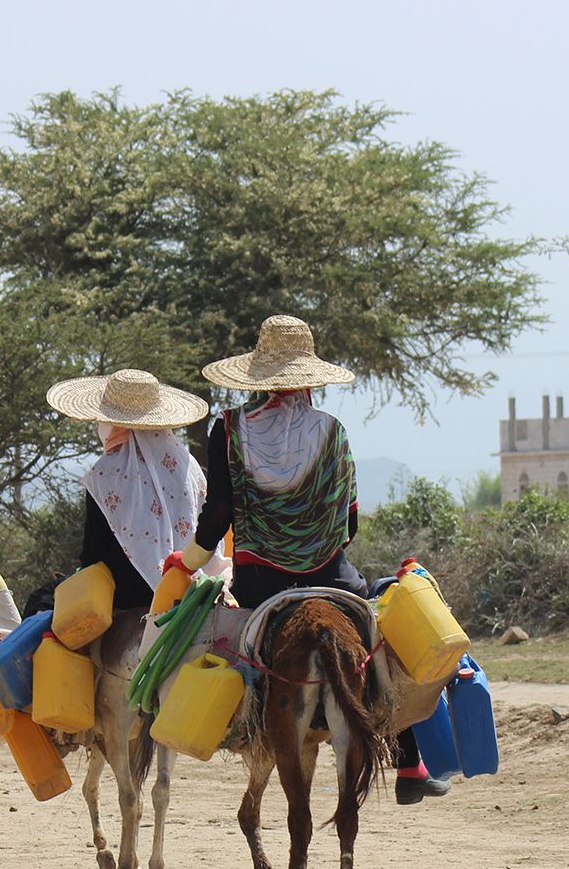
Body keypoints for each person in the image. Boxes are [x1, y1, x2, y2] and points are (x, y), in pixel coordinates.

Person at [169, 315, 448, 804]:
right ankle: (408, 762)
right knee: (382, 630)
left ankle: (238, 725)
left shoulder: (228, 429)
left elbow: (217, 516)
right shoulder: (332, 431)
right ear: (311, 379)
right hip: (333, 576)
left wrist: (188, 562)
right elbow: (350, 523)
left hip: (259, 584)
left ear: (257, 379)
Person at [44, 368, 220, 612]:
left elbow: (93, 557)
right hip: (197, 591)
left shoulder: (104, 475)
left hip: (129, 603)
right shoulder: (188, 465)